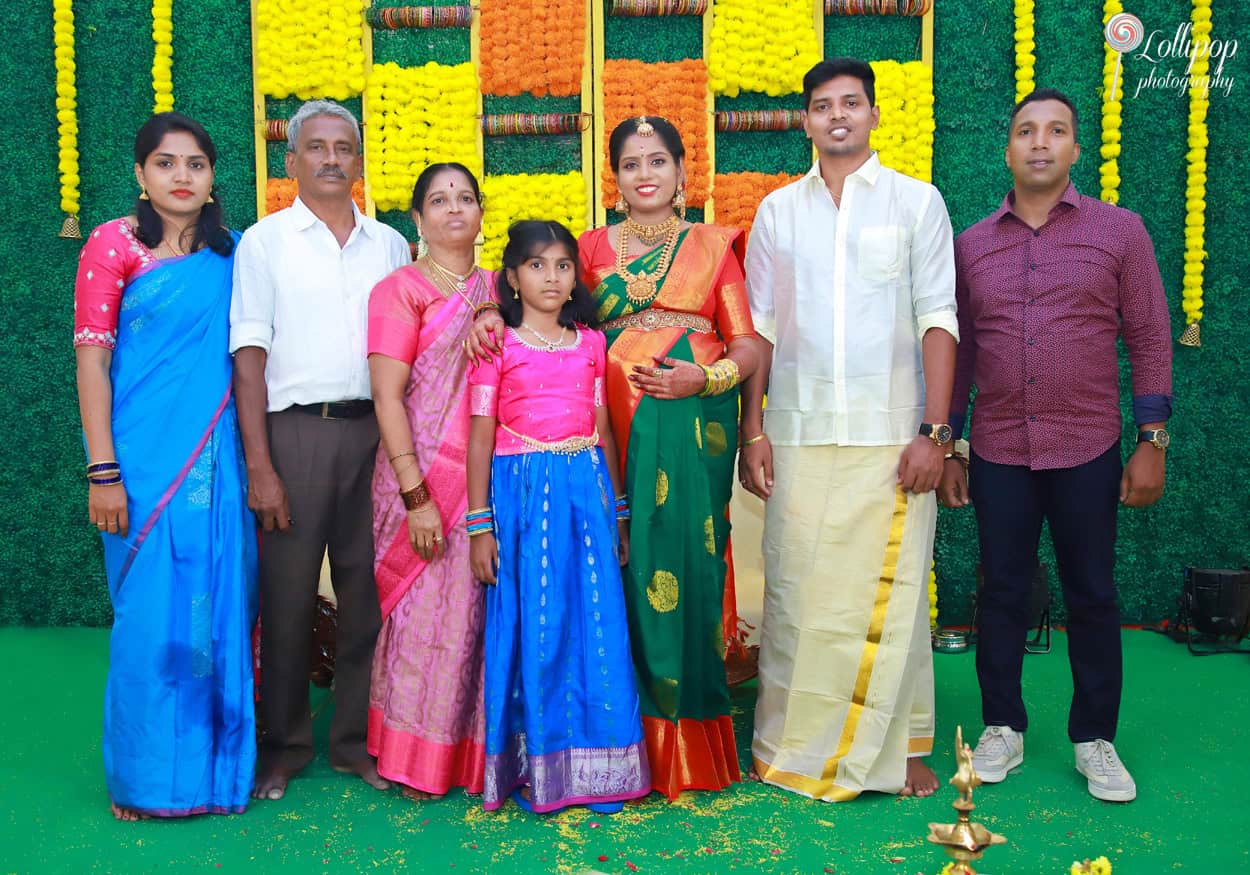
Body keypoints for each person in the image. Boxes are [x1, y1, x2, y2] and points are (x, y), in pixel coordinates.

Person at [938, 88, 1172, 803]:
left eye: (1056, 131)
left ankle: (1094, 736)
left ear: (1075, 148)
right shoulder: (973, 244)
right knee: (1002, 590)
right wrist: (950, 442)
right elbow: (962, 349)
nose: (1040, 143)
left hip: (1089, 444)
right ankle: (1002, 724)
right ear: (1007, 150)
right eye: (1025, 132)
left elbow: (1151, 336)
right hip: (1001, 447)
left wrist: (1152, 438)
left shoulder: (1121, 231)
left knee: (1093, 592)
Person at [741, 57, 958, 801]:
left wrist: (936, 430)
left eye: (851, 103)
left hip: (892, 434)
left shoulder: (916, 202)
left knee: (888, 596)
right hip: (798, 431)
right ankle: (789, 744)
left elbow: (939, 317)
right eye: (823, 105)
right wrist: (752, 430)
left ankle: (896, 749)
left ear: (872, 115)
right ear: (805, 120)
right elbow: (760, 330)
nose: (837, 115)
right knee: (798, 591)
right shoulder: (778, 211)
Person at [74, 112, 258, 820]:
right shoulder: (112, 246)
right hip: (143, 466)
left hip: (218, 466)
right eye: (165, 163)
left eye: (196, 165)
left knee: (217, 609)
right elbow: (92, 360)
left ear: (213, 180)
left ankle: (214, 774)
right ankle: (147, 779)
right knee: (149, 618)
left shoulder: (235, 254)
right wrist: (103, 469)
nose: (182, 176)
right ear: (140, 175)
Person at [230, 100, 411, 801]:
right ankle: (283, 747)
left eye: (344, 148)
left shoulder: (391, 244)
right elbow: (249, 361)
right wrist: (261, 467)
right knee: (287, 598)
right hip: (294, 435)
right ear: (291, 160)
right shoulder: (265, 243)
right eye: (317, 147)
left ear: (359, 160)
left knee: (367, 595)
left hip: (374, 434)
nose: (332, 158)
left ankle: (354, 743)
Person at [467, 220, 650, 814]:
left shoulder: (591, 344)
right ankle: (540, 766)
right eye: (537, 265)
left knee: (596, 620)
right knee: (538, 625)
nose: (552, 276)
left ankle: (599, 765)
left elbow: (602, 430)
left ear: (576, 276)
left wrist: (618, 511)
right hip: (522, 497)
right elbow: (480, 437)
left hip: (586, 491)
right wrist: (479, 526)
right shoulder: (498, 346)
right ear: (513, 278)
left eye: (563, 265)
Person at [366, 163, 492, 800]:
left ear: (480, 212)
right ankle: (412, 756)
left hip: (483, 482)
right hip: (416, 480)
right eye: (438, 201)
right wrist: (417, 497)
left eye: (464, 198)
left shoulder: (501, 289)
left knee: (473, 618)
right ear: (416, 220)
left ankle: (469, 754)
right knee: (421, 621)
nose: (452, 210)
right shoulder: (399, 291)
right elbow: (387, 399)